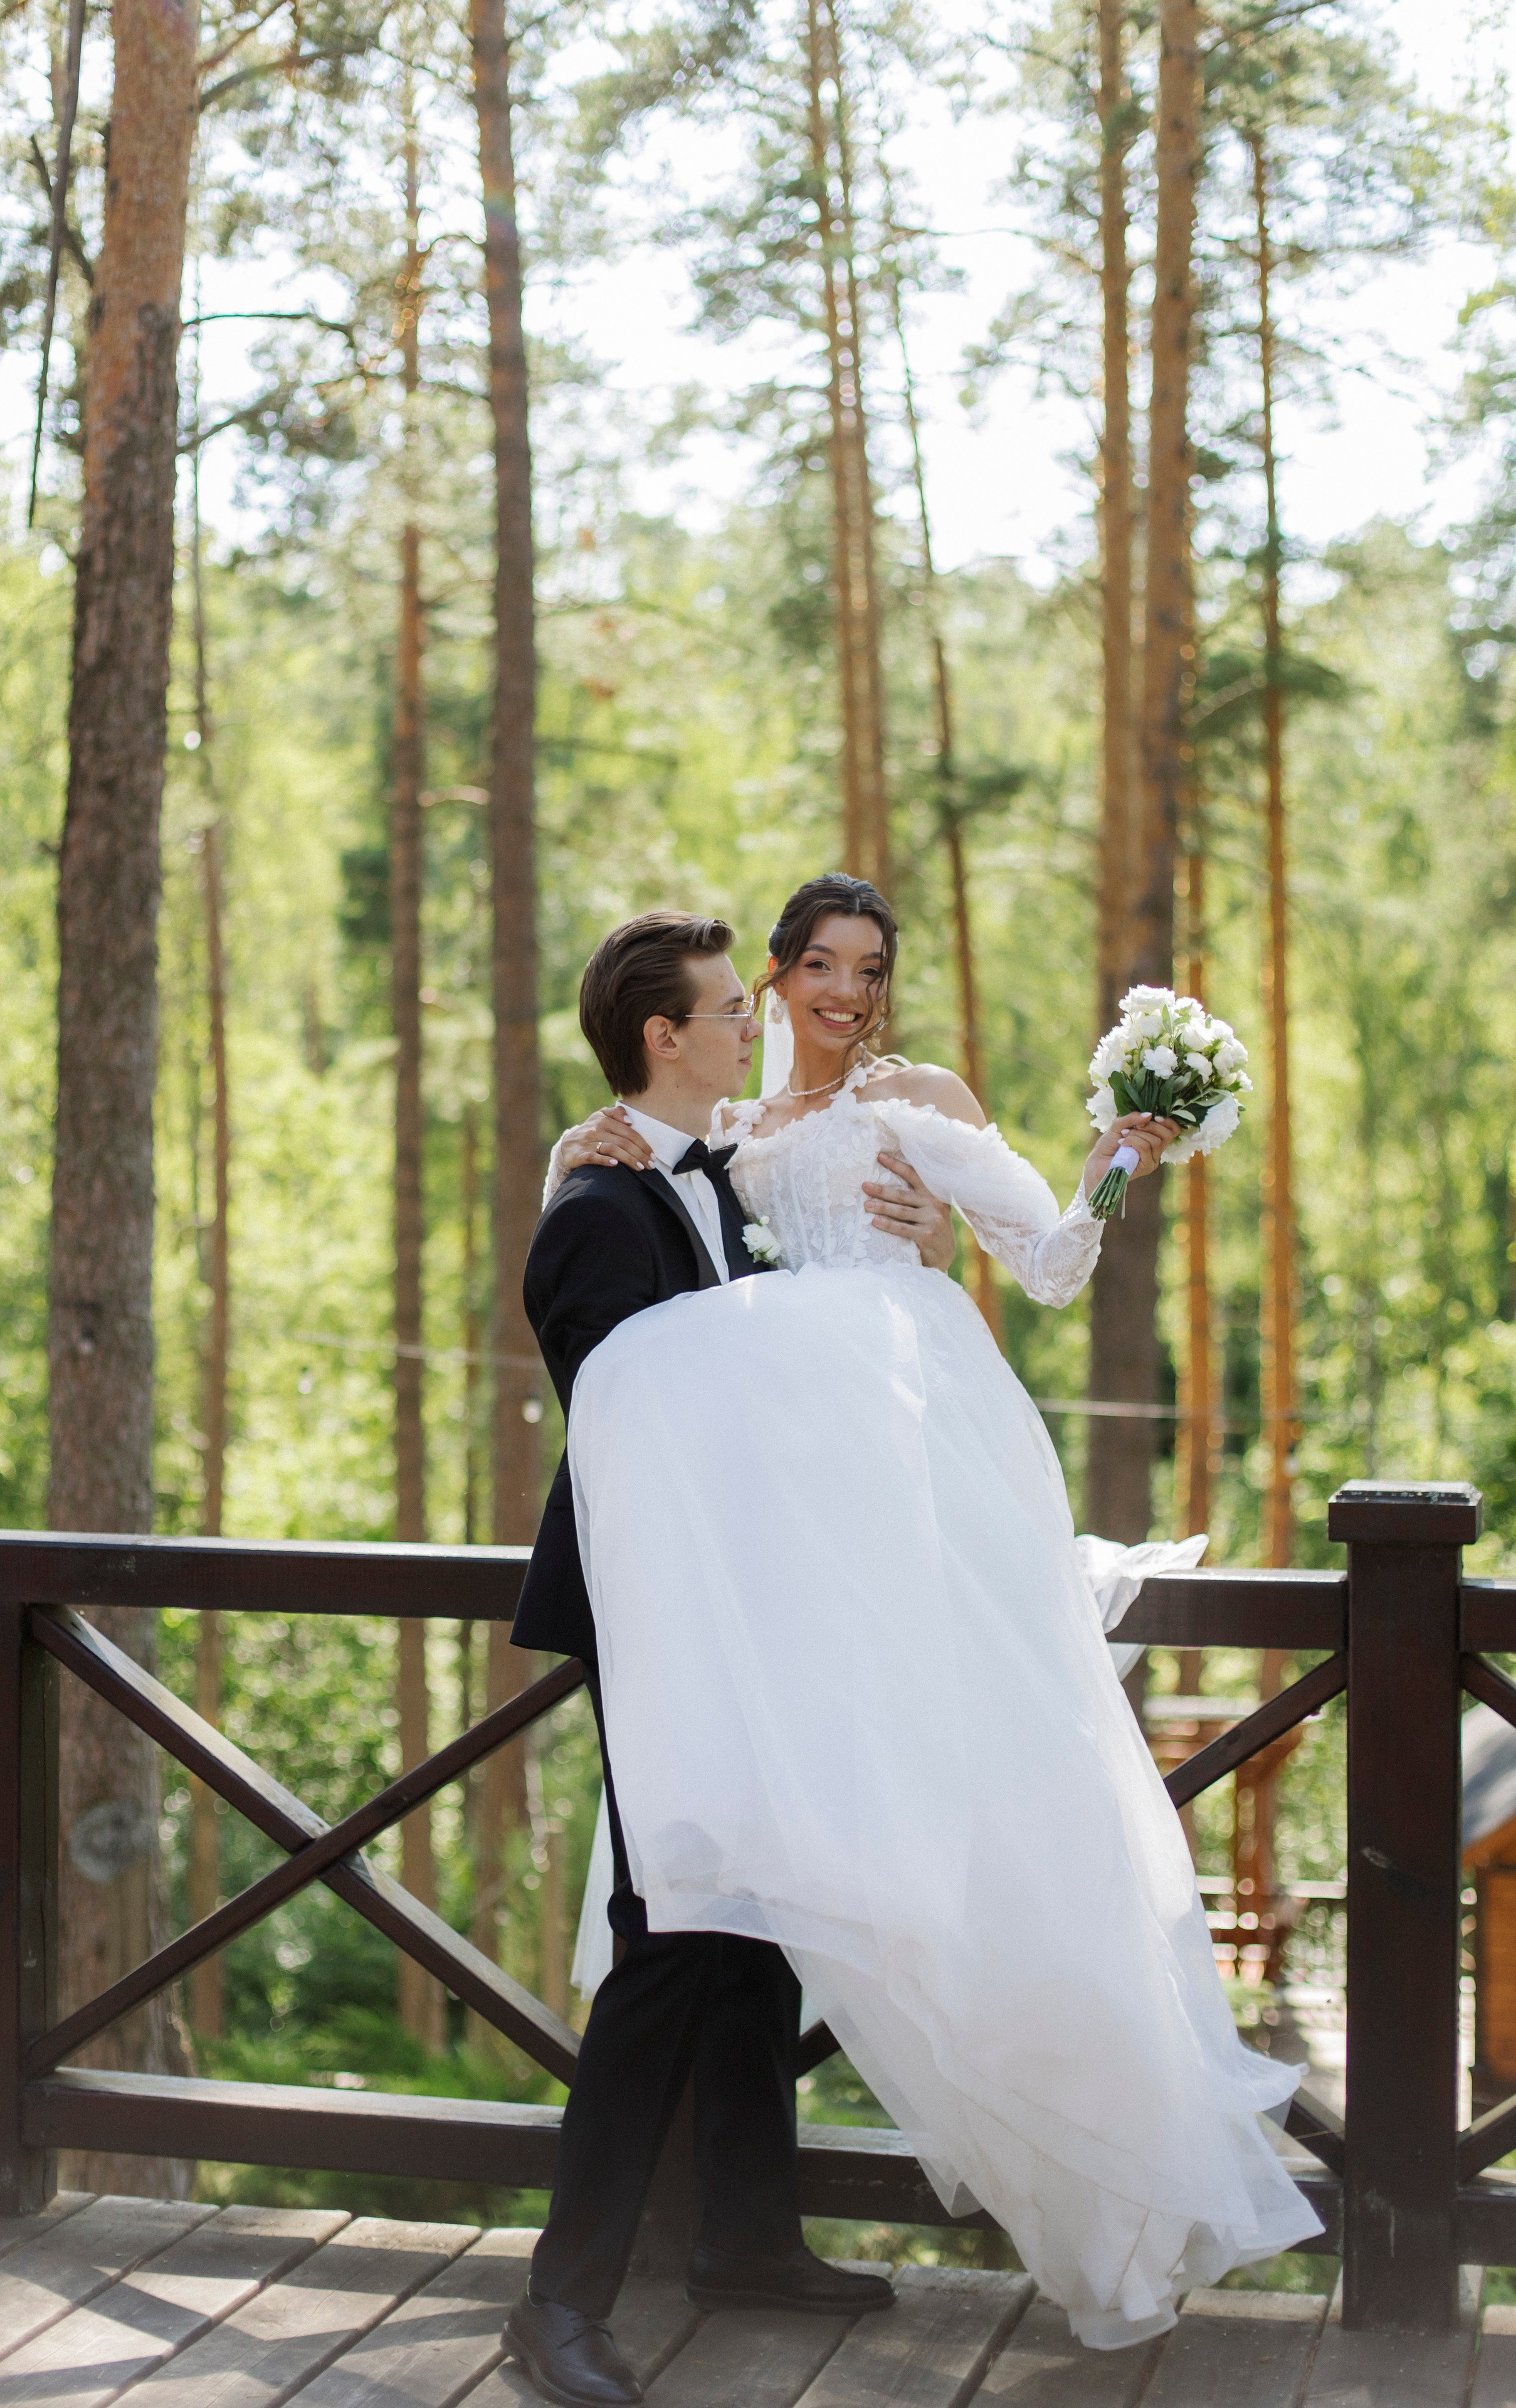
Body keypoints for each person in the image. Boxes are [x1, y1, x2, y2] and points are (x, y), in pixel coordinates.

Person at [539, 872, 1322, 2356]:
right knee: (736, 1910)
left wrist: (1110, 1163)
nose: (845, 993)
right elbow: (640, 1268)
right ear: (771, 983)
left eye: (869, 968)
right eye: (816, 968)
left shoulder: (917, 1101)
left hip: (899, 1513)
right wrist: (573, 1155)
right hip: (770, 1561)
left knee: (977, 1830)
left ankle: (1044, 2115)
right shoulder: (716, 1136)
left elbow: (1052, 1263)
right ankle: (691, 2255)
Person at [502, 908, 959, 2408]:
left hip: (762, 1604)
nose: (753, 1025)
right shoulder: (593, 1211)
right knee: (666, 1938)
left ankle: (748, 2240)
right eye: (728, 1010)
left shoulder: (731, 1179)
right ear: (664, 1037)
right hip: (660, 1619)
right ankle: (558, 2302)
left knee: (760, 1916)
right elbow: (629, 1442)